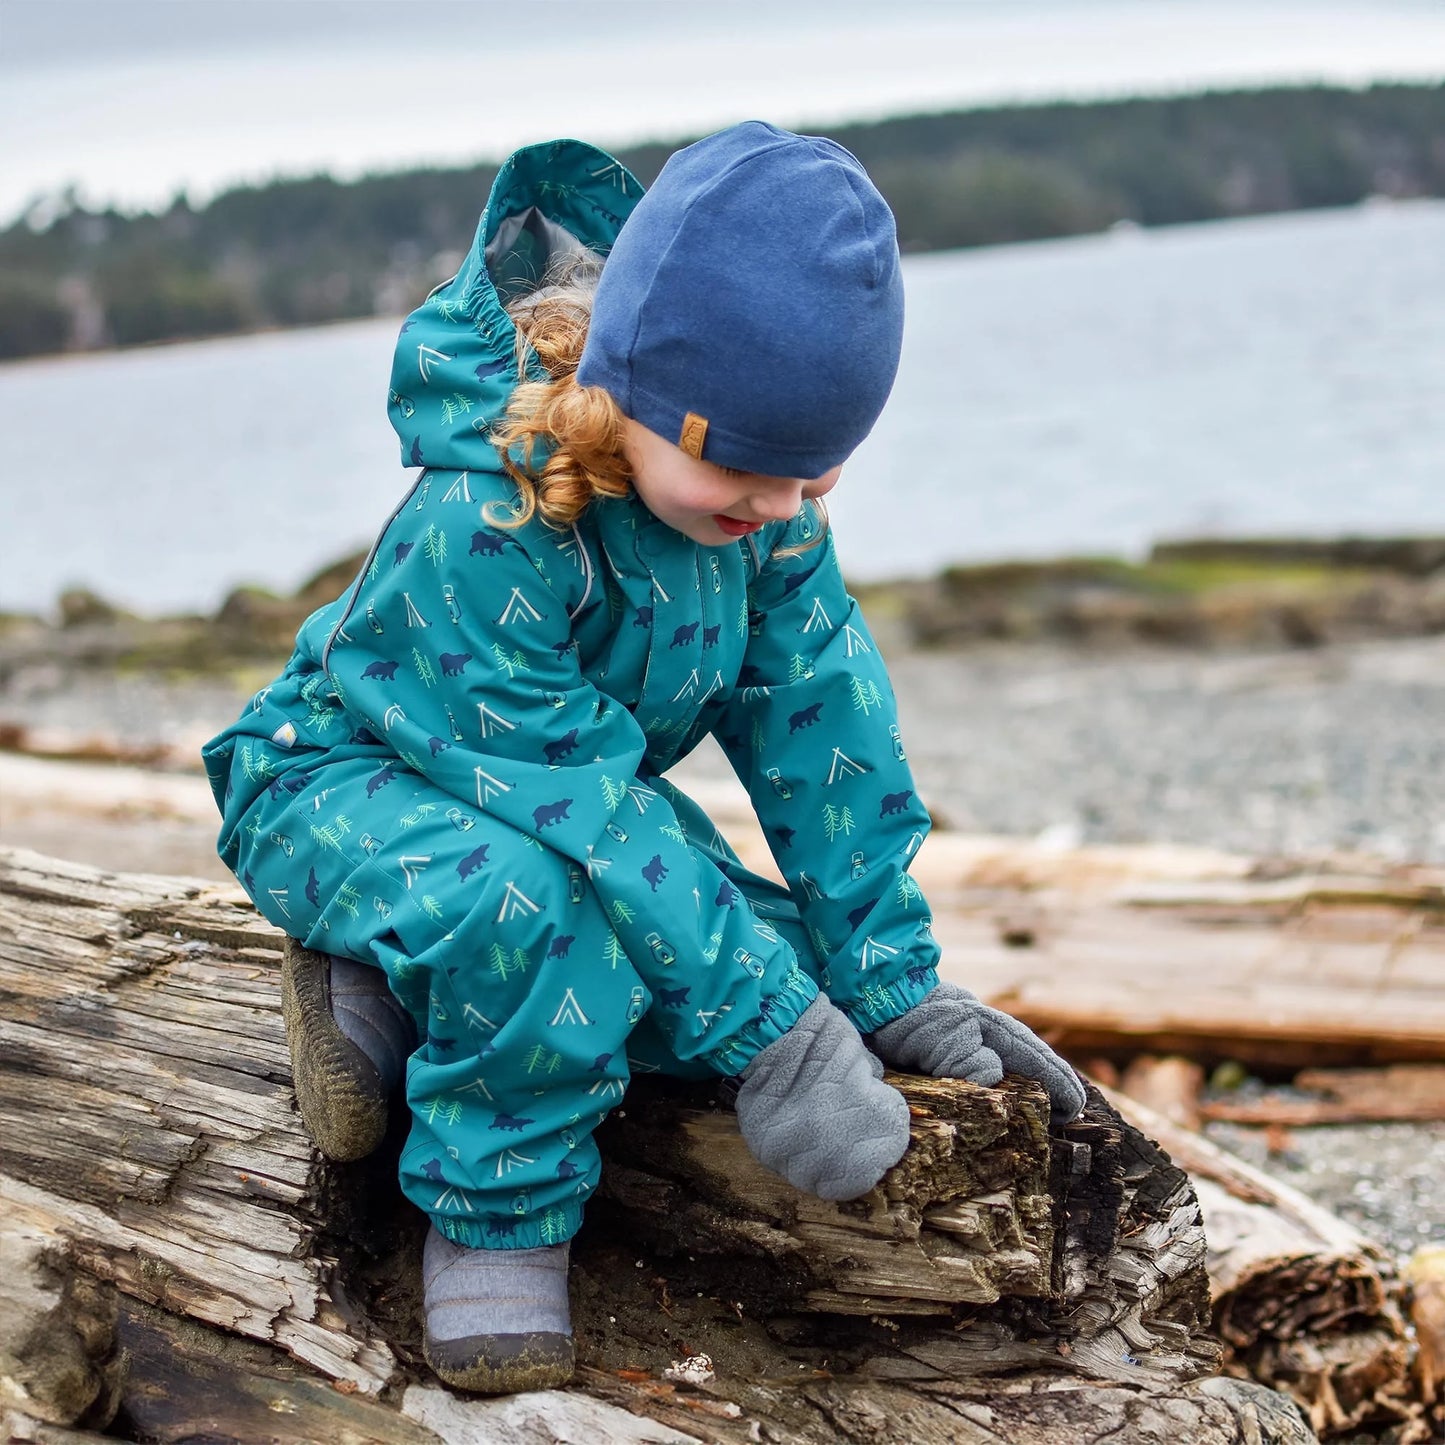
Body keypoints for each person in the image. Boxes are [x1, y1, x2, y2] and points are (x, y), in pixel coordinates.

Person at [203, 121, 1084, 1396]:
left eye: (815, 474)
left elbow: (824, 724)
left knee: (741, 943)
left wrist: (881, 977)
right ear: (628, 391)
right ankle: (494, 1217)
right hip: (336, 783)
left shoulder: (764, 513)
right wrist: (778, 1039)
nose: (777, 506)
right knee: (547, 913)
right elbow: (591, 814)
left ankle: (384, 988)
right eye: (743, 466)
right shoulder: (489, 519)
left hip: (541, 793)